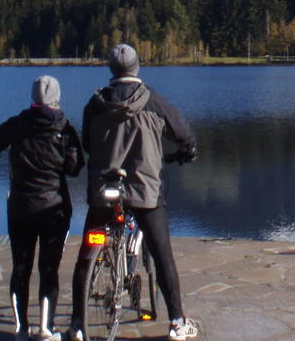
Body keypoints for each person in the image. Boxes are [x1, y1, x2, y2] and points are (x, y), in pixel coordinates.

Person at [68, 44, 199, 341]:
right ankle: (177, 323)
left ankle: (77, 324)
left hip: (105, 192)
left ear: (111, 69)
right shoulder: (154, 102)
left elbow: (88, 144)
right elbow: (185, 137)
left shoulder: (95, 104)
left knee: (88, 251)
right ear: (137, 67)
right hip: (146, 192)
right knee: (163, 256)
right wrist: (186, 153)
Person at [0, 75, 84, 341]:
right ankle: (45, 328)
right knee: (49, 267)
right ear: (57, 98)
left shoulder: (17, 124)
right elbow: (75, 168)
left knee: (21, 267)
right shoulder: (64, 128)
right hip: (54, 208)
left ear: (33, 98)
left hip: (20, 207)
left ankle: (21, 329)